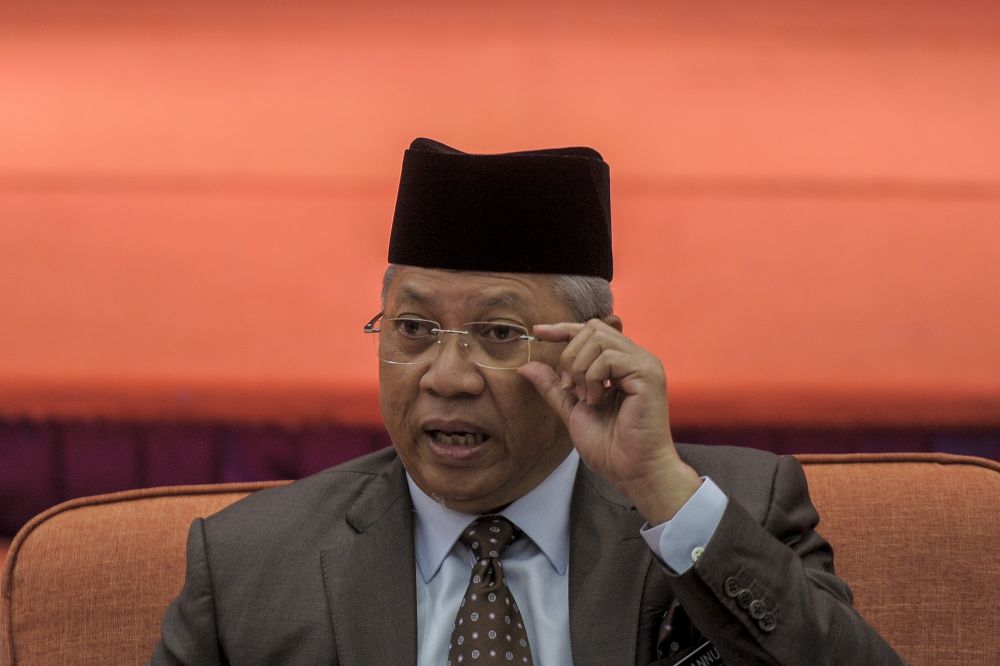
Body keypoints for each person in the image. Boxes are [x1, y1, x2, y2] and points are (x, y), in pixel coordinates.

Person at [150, 138, 904, 665]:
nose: (447, 376)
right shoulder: (251, 565)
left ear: (594, 350)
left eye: (499, 333)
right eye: (414, 329)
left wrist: (660, 491)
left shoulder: (732, 510)